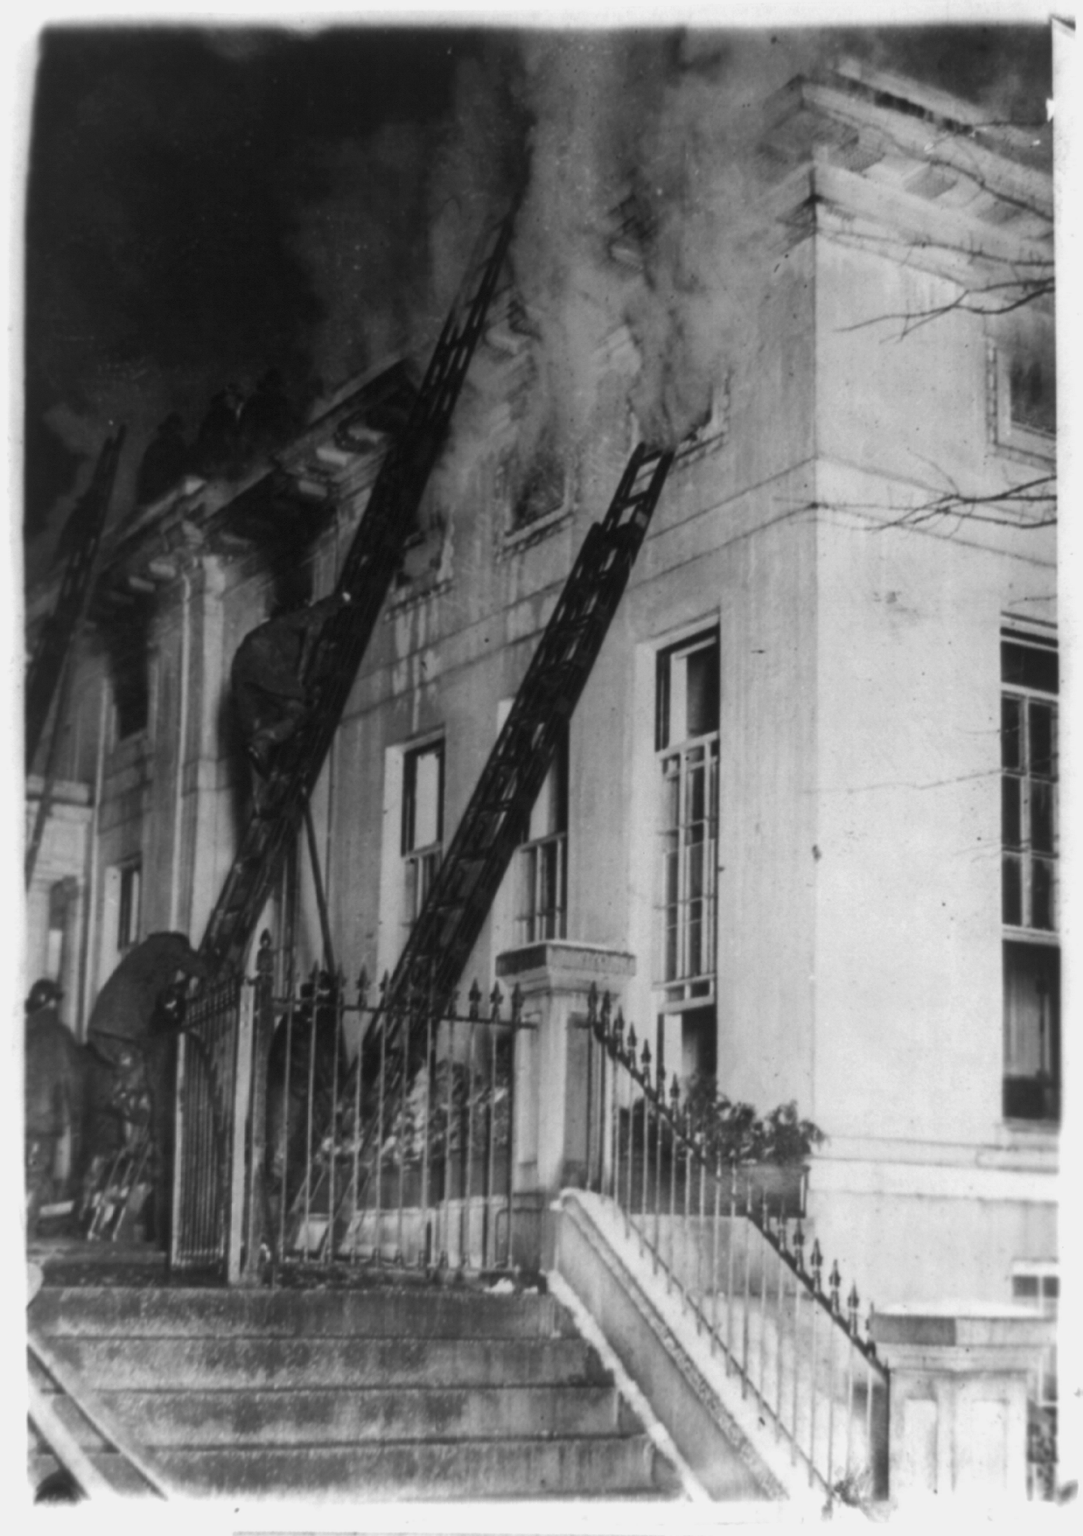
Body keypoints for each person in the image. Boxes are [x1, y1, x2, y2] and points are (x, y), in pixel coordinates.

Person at [231, 590, 352, 781]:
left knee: (265, 721)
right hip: (263, 661)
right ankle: (262, 741)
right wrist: (341, 599)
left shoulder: (266, 630)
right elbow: (311, 615)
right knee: (298, 713)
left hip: (242, 669)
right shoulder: (285, 623)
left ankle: (261, 745)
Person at [24, 979, 86, 1232]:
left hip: (15, 1119)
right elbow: (73, 1080)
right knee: (34, 1179)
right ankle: (23, 1239)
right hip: (42, 1121)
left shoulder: (20, 1029)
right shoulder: (60, 1035)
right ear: (51, 1002)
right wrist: (77, 1117)